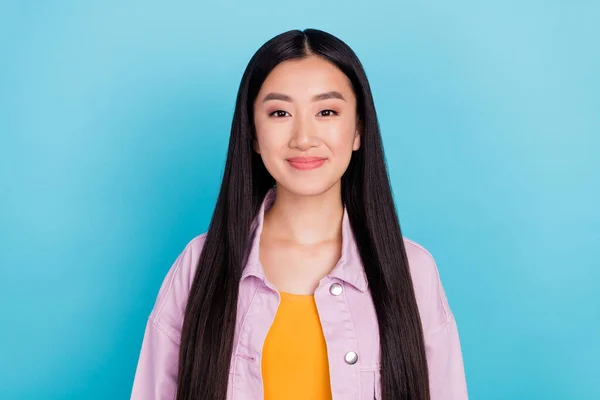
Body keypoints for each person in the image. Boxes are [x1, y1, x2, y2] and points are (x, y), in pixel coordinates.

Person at [130, 28, 468, 400]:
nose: (303, 137)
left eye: (326, 111)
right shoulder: (199, 266)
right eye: (279, 112)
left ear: (358, 130)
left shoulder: (412, 271)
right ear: (253, 134)